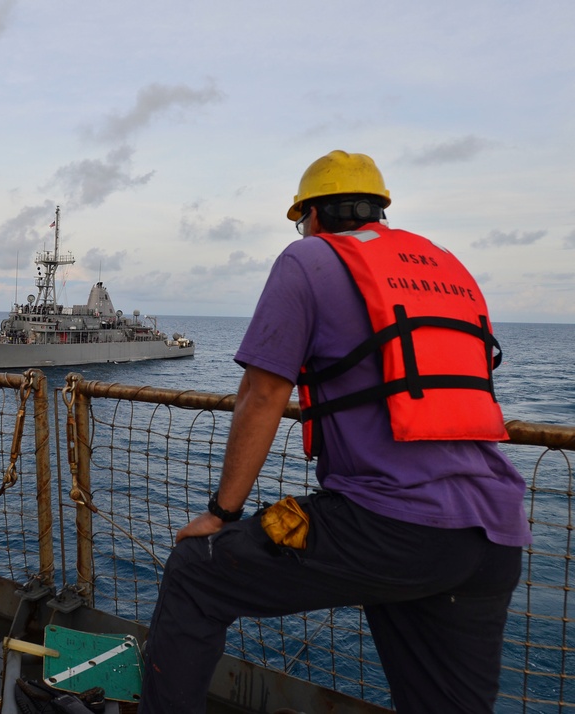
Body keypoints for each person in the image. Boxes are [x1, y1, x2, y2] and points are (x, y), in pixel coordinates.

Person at [139, 150, 531, 713]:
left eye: (303, 223)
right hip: (493, 538)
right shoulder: (444, 266)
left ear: (313, 217)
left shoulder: (309, 260)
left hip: (386, 527)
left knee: (194, 573)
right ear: (379, 212)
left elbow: (264, 393)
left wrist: (222, 515)